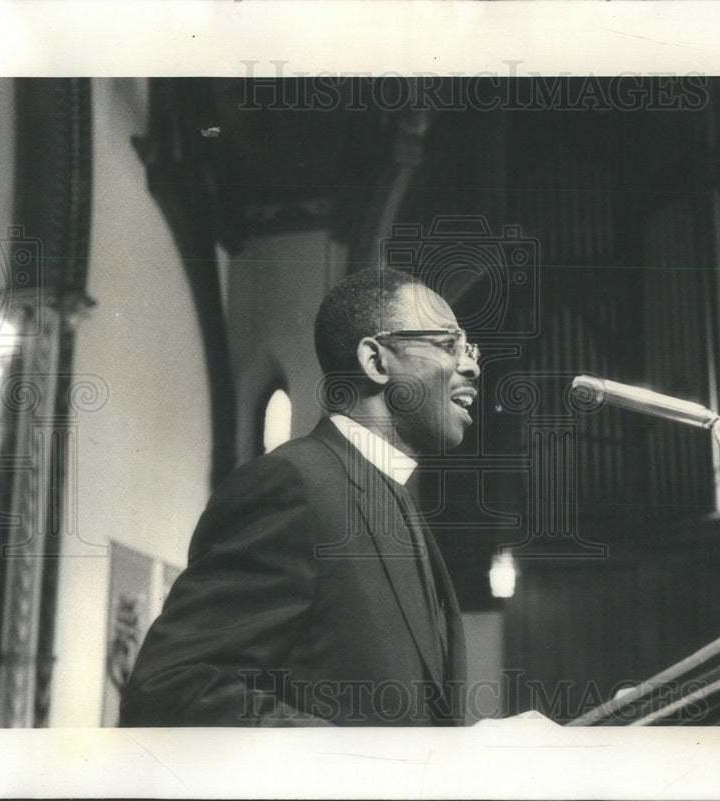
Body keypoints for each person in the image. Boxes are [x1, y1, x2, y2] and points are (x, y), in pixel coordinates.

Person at [119, 267, 480, 726]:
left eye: (469, 348)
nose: (472, 365)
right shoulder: (293, 485)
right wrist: (369, 768)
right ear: (376, 361)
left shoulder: (396, 499)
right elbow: (171, 691)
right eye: (449, 344)